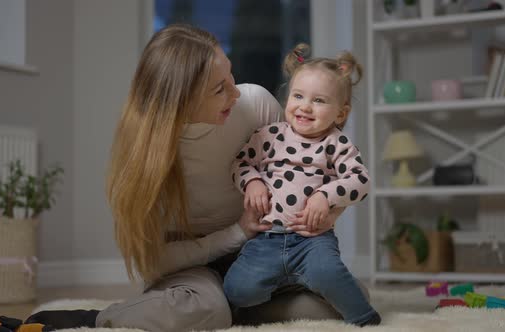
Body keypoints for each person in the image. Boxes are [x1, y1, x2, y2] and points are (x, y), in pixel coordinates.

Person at [25, 24, 368, 332]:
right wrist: (237, 232)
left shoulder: (255, 104)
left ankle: (229, 306)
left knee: (347, 296)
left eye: (230, 75)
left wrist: (327, 213)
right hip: (195, 266)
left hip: (260, 253)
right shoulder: (148, 158)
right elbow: (156, 263)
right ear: (181, 103)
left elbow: (305, 173)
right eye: (219, 89)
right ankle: (101, 318)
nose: (235, 92)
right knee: (203, 306)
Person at [223, 43, 381, 327]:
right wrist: (254, 182)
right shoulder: (268, 135)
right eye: (298, 96)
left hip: (313, 241)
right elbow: (239, 164)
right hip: (266, 239)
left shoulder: (337, 144)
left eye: (319, 101)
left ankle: (366, 319)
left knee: (332, 277)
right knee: (236, 290)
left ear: (341, 113)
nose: (305, 106)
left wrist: (325, 195)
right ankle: (288, 287)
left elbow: (360, 181)